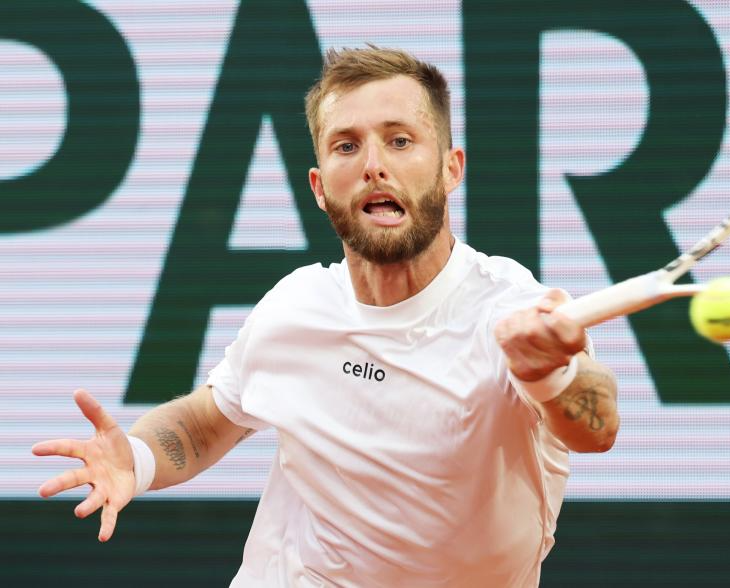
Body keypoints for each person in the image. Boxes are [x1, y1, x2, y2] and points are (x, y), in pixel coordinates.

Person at [33, 46, 619, 587]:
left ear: (450, 168)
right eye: (346, 146)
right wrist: (135, 460)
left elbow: (597, 429)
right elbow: (206, 423)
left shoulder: (510, 306)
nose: (374, 166)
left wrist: (551, 374)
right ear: (319, 187)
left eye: (400, 141)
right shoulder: (295, 307)